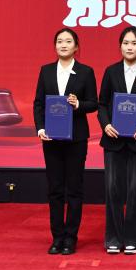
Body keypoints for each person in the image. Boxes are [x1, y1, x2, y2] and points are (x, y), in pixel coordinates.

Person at [33, 28, 98, 255]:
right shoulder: (46, 71)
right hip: (51, 137)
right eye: (59, 41)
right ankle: (57, 237)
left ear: (76, 47)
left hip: (76, 138)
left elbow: (94, 103)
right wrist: (40, 128)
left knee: (74, 189)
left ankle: (70, 237)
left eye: (68, 41)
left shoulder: (86, 72)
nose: (63, 45)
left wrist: (78, 104)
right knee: (55, 189)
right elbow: (38, 103)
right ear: (55, 46)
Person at [97, 26, 136, 255]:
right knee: (112, 188)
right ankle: (113, 238)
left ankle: (133, 238)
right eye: (126, 43)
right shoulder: (111, 71)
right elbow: (102, 104)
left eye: (134, 43)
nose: (130, 47)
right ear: (120, 46)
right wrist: (106, 125)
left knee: (135, 189)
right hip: (113, 139)